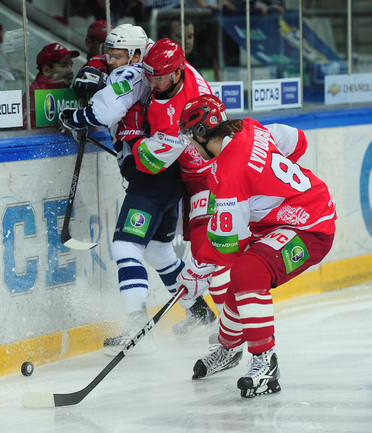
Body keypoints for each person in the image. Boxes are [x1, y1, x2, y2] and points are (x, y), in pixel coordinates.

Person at [60, 25, 212, 356]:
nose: (111, 61)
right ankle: (200, 312)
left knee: (125, 245)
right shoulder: (165, 64)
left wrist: (77, 118)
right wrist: (104, 71)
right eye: (109, 54)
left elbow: (108, 114)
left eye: (117, 56)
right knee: (158, 251)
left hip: (157, 176)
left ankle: (138, 325)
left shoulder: (156, 91)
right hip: (175, 175)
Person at [174, 94, 337, 399]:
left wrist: (196, 270)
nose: (190, 146)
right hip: (293, 214)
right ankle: (229, 348)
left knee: (248, 271)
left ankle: (265, 361)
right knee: (243, 276)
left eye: (189, 137)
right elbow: (298, 141)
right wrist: (270, 183)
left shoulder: (229, 170)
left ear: (201, 134)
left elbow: (228, 244)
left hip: (310, 227)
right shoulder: (248, 127)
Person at [23, 43, 80, 128]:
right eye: (63, 65)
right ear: (46, 70)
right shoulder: (35, 94)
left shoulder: (68, 91)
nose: (70, 71)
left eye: (71, 65)